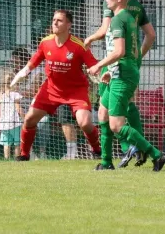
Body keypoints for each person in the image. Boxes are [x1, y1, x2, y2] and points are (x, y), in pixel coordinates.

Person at [88, 0, 165, 171]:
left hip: (123, 75)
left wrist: (99, 65)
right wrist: (112, 69)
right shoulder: (128, 17)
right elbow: (131, 51)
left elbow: (120, 51)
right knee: (103, 114)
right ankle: (106, 162)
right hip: (122, 71)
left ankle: (157, 154)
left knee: (116, 125)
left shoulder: (117, 20)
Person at [11, 10, 102, 161]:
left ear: (68, 25)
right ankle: (24, 154)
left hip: (75, 91)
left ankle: (97, 150)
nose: (55, 23)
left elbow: (93, 65)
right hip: (51, 89)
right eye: (54, 20)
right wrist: (24, 71)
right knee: (29, 120)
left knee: (85, 123)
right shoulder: (46, 42)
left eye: (59, 20)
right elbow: (35, 60)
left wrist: (100, 73)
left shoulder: (79, 46)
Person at [0, 73, 23, 159]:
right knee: (17, 142)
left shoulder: (2, 95)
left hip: (4, 123)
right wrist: (24, 117)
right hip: (14, 123)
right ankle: (17, 158)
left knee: (6, 143)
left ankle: (6, 159)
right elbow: (18, 108)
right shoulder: (15, 94)